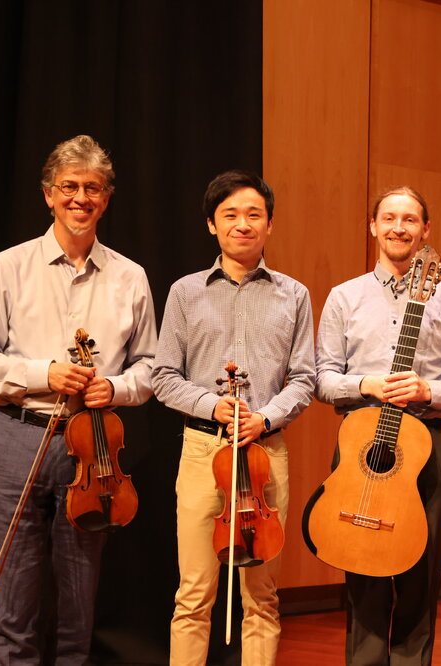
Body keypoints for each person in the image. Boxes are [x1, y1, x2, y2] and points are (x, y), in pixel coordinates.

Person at [0, 135, 157, 664]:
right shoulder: (9, 265)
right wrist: (42, 373)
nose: (80, 198)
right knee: (12, 596)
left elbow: (151, 367)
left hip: (92, 448)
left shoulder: (131, 276)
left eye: (93, 188)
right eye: (69, 186)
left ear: (107, 199)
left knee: (79, 596)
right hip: (16, 437)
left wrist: (113, 387)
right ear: (48, 194)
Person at [314, 186, 441, 664]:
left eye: (410, 219)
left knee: (422, 575)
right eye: (388, 218)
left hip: (426, 443)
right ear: (373, 226)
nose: (398, 227)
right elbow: (322, 379)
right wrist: (367, 384)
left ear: (425, 230)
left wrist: (429, 391)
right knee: (362, 572)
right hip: (360, 446)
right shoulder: (343, 297)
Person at [152, 170, 315, 665]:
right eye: (231, 215)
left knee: (261, 597)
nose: (242, 224)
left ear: (269, 225)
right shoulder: (185, 292)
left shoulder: (295, 295)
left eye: (254, 215)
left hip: (266, 452)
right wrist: (213, 405)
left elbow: (304, 379)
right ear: (211, 225)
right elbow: (163, 376)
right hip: (204, 450)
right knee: (194, 594)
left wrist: (263, 419)